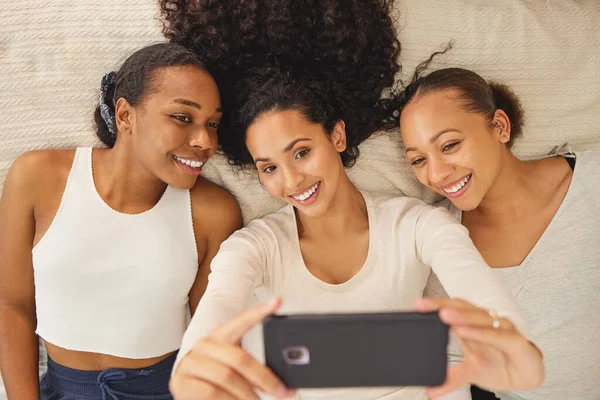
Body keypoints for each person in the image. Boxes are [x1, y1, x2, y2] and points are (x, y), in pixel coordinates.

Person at [160, 2, 544, 398]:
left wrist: (515, 345)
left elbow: (473, 282)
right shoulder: (255, 246)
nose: (291, 180)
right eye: (269, 168)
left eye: (301, 152)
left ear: (337, 138)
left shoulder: (416, 225)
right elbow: (220, 300)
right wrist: (192, 366)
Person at [0, 42, 241, 399]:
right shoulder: (36, 177)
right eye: (182, 117)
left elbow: (210, 337)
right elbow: (12, 306)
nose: (205, 140)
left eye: (213, 124)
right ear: (126, 115)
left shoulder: (213, 212)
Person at [392, 64, 600, 400]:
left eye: (449, 145)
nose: (437, 174)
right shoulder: (438, 243)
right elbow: (450, 362)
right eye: (418, 160)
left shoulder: (592, 182)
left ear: (499, 127)